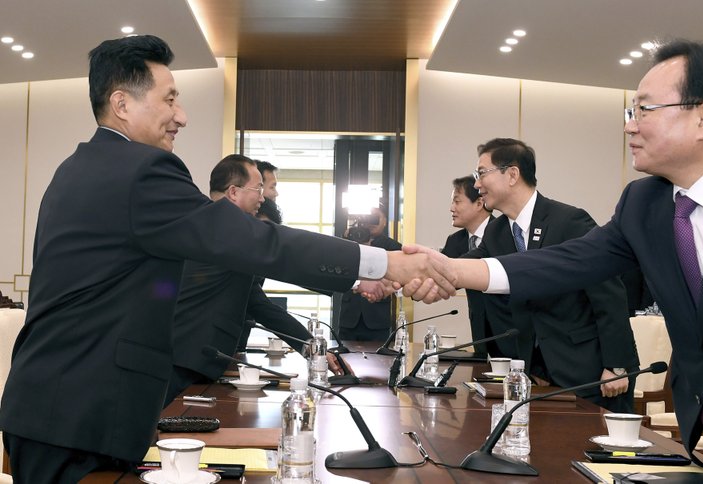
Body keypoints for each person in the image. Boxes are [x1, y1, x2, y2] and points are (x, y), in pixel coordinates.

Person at [0, 34, 451, 483]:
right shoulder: (140, 170)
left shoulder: (80, 166)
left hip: (60, 405)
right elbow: (258, 244)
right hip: (76, 413)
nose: (181, 115)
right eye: (170, 99)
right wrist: (384, 263)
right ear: (122, 104)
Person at [405, 39, 703, 480]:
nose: (630, 127)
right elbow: (568, 262)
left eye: (644, 110)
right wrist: (455, 270)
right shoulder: (645, 203)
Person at [466, 139, 638, 411]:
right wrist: (423, 269)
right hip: (537, 376)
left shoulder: (569, 221)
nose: (476, 184)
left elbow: (609, 294)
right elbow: (469, 267)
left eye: (482, 173)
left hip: (587, 370)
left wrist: (616, 365)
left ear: (512, 174)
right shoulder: (497, 232)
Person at [166, 154, 345, 404]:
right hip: (185, 355)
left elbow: (256, 302)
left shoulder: (211, 225)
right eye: (258, 188)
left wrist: (308, 345)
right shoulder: (225, 230)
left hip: (193, 356)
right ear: (233, 192)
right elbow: (289, 260)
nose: (263, 198)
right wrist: (357, 279)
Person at [441, 175, 493, 355]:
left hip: (511, 331)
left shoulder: (505, 234)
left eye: (457, 201)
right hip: (479, 329)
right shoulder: (455, 241)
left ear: (479, 203)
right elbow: (438, 275)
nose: (451, 208)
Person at [337, 205, 402, 341]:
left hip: (377, 316)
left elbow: (398, 274)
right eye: (368, 218)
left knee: (378, 359)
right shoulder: (351, 240)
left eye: (375, 218)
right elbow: (340, 264)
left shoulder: (392, 246)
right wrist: (346, 239)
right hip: (350, 316)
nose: (371, 222)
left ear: (385, 220)